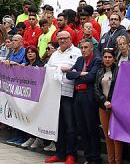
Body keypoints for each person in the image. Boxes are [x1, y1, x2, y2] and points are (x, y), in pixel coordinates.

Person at [44, 31, 81, 164]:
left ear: (70, 39)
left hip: (69, 93)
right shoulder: (54, 53)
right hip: (54, 94)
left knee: (70, 126)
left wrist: (67, 69)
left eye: (65, 38)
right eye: (60, 39)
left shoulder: (77, 52)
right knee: (58, 126)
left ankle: (71, 154)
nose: (62, 41)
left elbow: (78, 69)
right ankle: (60, 154)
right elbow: (48, 68)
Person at [66, 39, 101, 164]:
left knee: (91, 128)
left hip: (89, 96)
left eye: (86, 47)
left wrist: (78, 75)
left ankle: (95, 158)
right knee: (82, 128)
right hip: (78, 95)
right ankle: (88, 157)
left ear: (92, 48)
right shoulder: (80, 60)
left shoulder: (96, 60)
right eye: (82, 47)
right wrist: (81, 73)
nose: (83, 50)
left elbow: (91, 77)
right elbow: (69, 74)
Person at [95, 48, 122, 164]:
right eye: (105, 57)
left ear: (114, 59)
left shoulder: (120, 71)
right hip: (103, 107)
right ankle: (111, 162)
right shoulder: (100, 71)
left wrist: (112, 102)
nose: (107, 59)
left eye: (110, 57)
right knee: (107, 137)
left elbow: (122, 88)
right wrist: (103, 100)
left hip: (116, 109)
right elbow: (96, 88)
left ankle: (118, 161)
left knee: (116, 137)